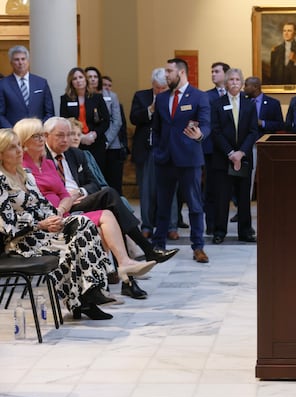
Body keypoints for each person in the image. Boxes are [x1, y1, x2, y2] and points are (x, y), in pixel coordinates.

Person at [15, 117, 156, 298]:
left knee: (108, 211)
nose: (42, 140)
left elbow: (70, 192)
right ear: (24, 140)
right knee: (107, 206)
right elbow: (29, 205)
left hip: (64, 211)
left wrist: (63, 206)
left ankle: (119, 270)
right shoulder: (22, 169)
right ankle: (119, 273)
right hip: (46, 225)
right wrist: (51, 216)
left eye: (42, 136)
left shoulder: (49, 163)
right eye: (38, 136)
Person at [0, 128, 114, 320]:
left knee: (82, 222)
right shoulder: (1, 180)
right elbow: (6, 224)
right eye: (12, 148)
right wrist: (40, 225)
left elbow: (43, 205)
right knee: (72, 244)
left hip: (43, 231)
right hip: (20, 240)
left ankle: (90, 291)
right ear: (1, 153)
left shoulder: (26, 174)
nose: (20, 151)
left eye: (19, 145)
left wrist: (55, 220)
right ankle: (85, 299)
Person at [43, 117, 178, 268]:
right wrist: (67, 198)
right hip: (61, 207)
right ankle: (147, 251)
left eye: (69, 135)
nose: (66, 139)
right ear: (46, 135)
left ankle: (129, 276)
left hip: (81, 199)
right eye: (60, 135)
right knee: (110, 196)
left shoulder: (75, 154)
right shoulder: (42, 158)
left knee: (113, 208)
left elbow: (94, 184)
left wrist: (79, 192)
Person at [152, 58, 210, 263]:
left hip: (189, 159)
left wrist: (200, 135)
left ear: (181, 73)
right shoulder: (161, 99)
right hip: (164, 159)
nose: (165, 75)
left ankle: (198, 247)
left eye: (169, 71)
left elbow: (206, 124)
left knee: (194, 205)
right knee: (163, 204)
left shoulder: (199, 96)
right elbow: (157, 129)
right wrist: (157, 151)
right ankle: (158, 245)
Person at [211, 68, 258, 244]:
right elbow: (215, 131)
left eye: (238, 80)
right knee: (222, 197)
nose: (234, 83)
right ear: (226, 82)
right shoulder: (217, 104)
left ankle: (245, 232)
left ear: (242, 83)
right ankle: (219, 232)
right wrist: (230, 153)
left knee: (244, 197)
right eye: (231, 80)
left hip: (244, 158)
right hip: (223, 158)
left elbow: (253, 131)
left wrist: (241, 152)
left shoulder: (249, 104)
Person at [130, 68, 170, 238]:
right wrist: (150, 109)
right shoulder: (141, 96)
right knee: (146, 191)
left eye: (163, 88)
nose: (160, 91)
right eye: (157, 88)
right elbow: (134, 118)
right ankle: (146, 225)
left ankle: (170, 227)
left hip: (167, 150)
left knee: (169, 190)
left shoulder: (173, 98)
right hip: (146, 150)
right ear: (152, 84)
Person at [59, 67, 110, 173]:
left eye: (81, 77)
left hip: (96, 141)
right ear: (71, 82)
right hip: (75, 142)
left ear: (85, 79)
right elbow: (64, 121)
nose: (78, 81)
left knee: (97, 172)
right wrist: (80, 136)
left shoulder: (97, 97)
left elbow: (106, 121)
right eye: (74, 78)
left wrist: (94, 134)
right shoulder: (66, 99)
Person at [203, 62, 231, 235]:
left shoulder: (235, 95)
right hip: (211, 149)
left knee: (229, 191)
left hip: (231, 150)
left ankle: (225, 224)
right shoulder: (206, 96)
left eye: (216, 71)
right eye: (211, 71)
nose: (213, 74)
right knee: (211, 189)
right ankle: (211, 225)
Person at [0, 45, 54, 128]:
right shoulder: (3, 84)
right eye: (16, 60)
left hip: (38, 133)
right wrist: (11, 132)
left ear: (28, 61)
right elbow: (1, 114)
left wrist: (40, 129)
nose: (20, 62)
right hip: (14, 135)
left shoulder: (41, 83)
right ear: (11, 62)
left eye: (23, 59)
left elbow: (49, 112)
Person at [102, 74, 129, 194]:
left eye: (109, 86)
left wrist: (106, 140)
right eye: (104, 85)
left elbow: (118, 123)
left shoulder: (114, 99)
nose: (107, 88)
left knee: (115, 184)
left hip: (113, 145)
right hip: (97, 144)